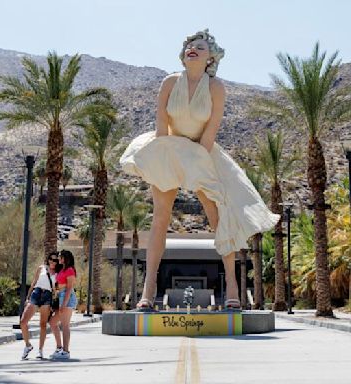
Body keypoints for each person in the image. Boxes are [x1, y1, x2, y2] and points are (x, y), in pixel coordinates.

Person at [120, 29, 280, 311]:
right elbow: (160, 126)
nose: (192, 48)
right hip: (168, 148)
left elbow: (210, 132)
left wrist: (195, 168)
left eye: (200, 47)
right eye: (189, 46)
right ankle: (148, 289)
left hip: (202, 153)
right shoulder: (170, 82)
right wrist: (164, 159)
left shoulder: (216, 88)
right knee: (160, 216)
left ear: (211, 58)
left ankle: (231, 284)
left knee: (218, 216)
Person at [20, 252, 58, 360]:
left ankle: (40, 350)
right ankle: (28, 345)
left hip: (47, 296)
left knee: (42, 324)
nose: (52, 262)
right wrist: (28, 297)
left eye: (55, 260)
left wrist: (53, 304)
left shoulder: (57, 273)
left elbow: (56, 290)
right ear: (48, 259)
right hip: (36, 293)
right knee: (23, 322)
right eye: (51, 259)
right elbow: (33, 282)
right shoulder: (41, 268)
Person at [49, 250, 77, 360]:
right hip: (61, 295)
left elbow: (69, 288)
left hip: (67, 297)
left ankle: (66, 351)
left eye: (60, 257)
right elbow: (58, 284)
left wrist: (63, 304)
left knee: (65, 325)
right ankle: (60, 348)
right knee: (52, 322)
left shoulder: (70, 270)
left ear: (66, 258)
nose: (58, 259)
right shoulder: (63, 269)